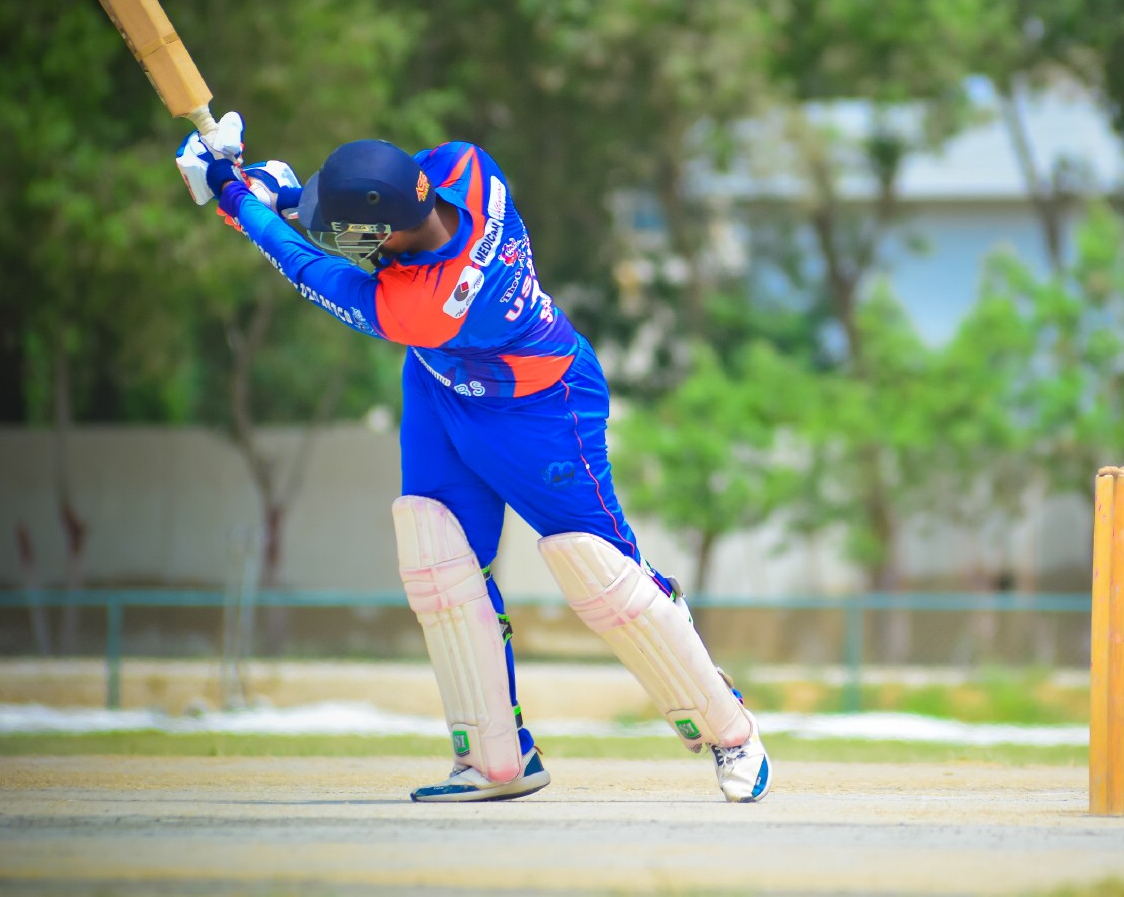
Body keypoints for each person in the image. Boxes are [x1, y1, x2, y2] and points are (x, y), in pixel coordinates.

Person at [176, 115, 770, 804]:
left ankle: (731, 732)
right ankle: (497, 760)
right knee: (437, 559)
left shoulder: (426, 305)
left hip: (540, 408)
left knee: (605, 576)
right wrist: (279, 193)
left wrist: (235, 196)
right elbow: (379, 188)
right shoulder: (465, 167)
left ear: (382, 231)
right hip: (443, 384)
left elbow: (311, 269)